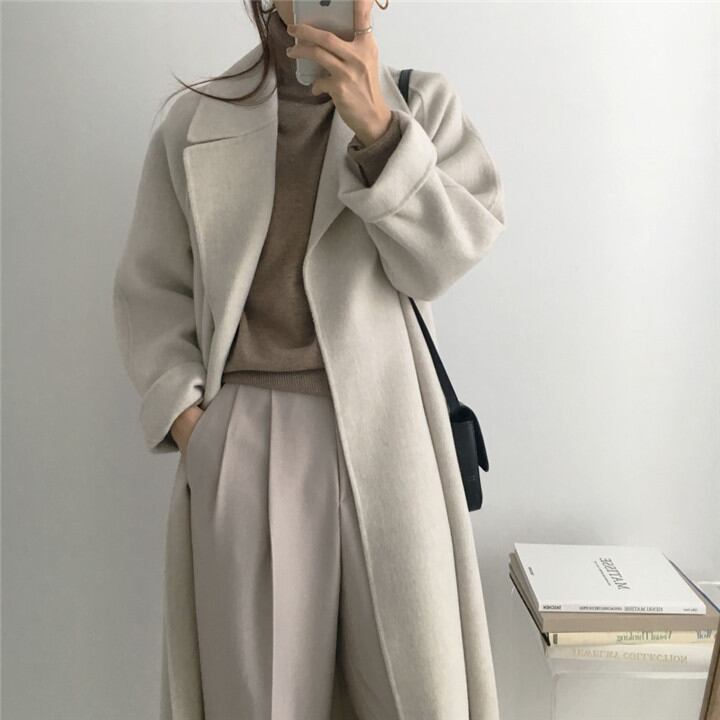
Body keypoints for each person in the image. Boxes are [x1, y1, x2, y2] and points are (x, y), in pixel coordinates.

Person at [112, 1, 506, 718]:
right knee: (262, 702)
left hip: (390, 436)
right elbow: (152, 291)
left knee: (415, 693)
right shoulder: (195, 121)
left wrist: (380, 133)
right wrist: (193, 426)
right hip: (245, 442)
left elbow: (441, 262)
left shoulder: (420, 106)